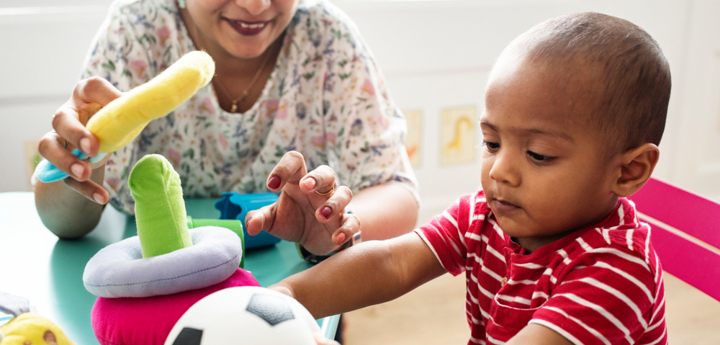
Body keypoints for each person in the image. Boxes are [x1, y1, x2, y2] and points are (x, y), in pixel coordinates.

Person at [270, 12, 671, 345]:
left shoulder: (618, 273)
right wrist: (286, 296)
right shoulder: (485, 215)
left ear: (629, 171)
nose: (499, 171)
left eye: (538, 154)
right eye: (492, 142)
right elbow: (392, 263)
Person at [34, 0, 418, 258]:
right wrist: (82, 155)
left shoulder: (326, 39)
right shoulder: (136, 32)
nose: (255, 5)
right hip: (154, 275)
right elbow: (66, 224)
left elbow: (397, 191)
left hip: (297, 287)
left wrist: (331, 228)